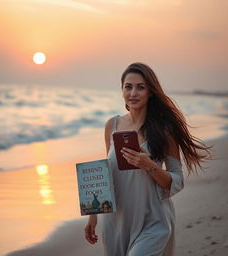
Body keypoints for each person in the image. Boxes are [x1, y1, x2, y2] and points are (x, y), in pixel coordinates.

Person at [84, 62, 211, 256]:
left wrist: (149, 165)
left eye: (140, 87)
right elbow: (105, 175)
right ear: (122, 90)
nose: (133, 93)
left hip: (153, 219)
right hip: (117, 220)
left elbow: (176, 180)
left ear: (150, 92)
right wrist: (92, 215)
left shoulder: (164, 130)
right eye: (128, 87)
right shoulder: (112, 125)